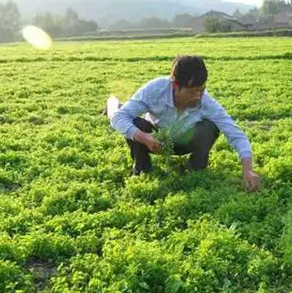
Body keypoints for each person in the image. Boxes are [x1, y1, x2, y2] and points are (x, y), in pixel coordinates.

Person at [106, 55, 261, 191]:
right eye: (193, 91)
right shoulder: (155, 90)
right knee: (135, 123)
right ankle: (142, 167)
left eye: (202, 90)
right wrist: (144, 137)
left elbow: (235, 133)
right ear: (175, 85)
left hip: (185, 142)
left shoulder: (206, 102)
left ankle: (195, 168)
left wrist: (247, 169)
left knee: (209, 127)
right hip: (155, 140)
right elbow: (119, 117)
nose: (199, 96)